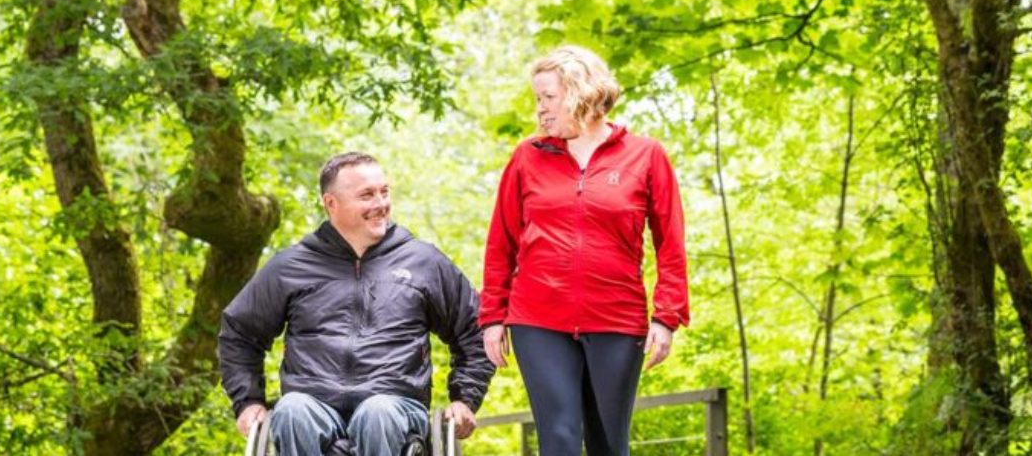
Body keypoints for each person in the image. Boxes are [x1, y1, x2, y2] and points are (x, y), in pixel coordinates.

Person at [478, 45, 691, 456]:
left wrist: (666, 317)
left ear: (580, 92)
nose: (540, 109)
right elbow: (500, 241)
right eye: (537, 99)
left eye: (548, 97)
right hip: (538, 318)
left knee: (608, 442)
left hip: (617, 318)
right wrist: (492, 315)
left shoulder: (645, 156)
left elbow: (671, 244)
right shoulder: (527, 157)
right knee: (558, 439)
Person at [220, 152, 495, 456]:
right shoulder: (291, 266)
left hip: (394, 406)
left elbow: (476, 328)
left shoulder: (423, 262)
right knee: (292, 410)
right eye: (367, 195)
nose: (380, 204)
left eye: (384, 192)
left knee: (376, 413)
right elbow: (239, 332)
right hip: (312, 404)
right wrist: (248, 402)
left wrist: (464, 399)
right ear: (331, 203)